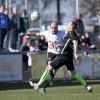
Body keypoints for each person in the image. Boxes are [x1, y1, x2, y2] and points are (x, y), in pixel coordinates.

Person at [30, 20, 92, 94]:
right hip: (68, 56)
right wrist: (85, 51)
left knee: (49, 67)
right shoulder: (74, 34)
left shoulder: (70, 33)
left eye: (69, 24)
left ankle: (38, 85)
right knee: (73, 73)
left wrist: (75, 53)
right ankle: (86, 85)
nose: (67, 25)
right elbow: (79, 44)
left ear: (72, 26)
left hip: (64, 55)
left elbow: (75, 43)